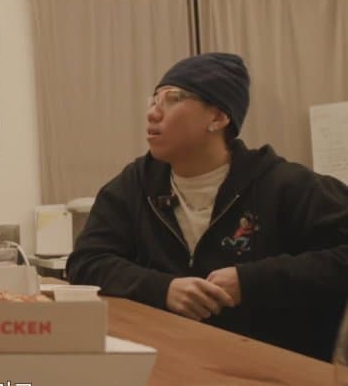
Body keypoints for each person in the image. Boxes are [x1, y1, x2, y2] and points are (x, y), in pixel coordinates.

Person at [66, 53, 348, 361]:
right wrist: (164, 289)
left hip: (269, 369)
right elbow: (87, 262)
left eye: (173, 98)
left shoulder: (284, 185)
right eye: (154, 100)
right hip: (166, 362)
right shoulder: (135, 185)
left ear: (218, 117)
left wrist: (250, 281)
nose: (152, 113)